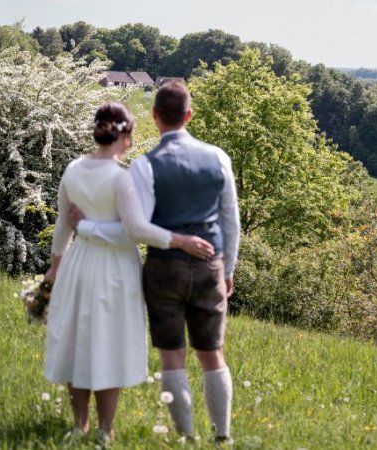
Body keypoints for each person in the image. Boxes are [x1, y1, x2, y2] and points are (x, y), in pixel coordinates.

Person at [71, 81, 240, 444]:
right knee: (213, 353)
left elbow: (138, 228)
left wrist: (85, 226)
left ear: (154, 116)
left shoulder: (144, 166)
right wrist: (227, 270)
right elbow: (231, 220)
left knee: (172, 356)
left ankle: (186, 437)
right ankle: (222, 436)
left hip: (165, 268)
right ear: (189, 115)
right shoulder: (219, 158)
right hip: (210, 264)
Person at [43, 102, 215, 444]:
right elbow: (135, 230)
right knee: (107, 344)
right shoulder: (120, 178)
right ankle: (105, 430)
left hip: (79, 263)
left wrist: (55, 266)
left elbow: (63, 224)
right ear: (125, 136)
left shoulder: (73, 170)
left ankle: (79, 425)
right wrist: (181, 241)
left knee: (78, 341)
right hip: (114, 270)